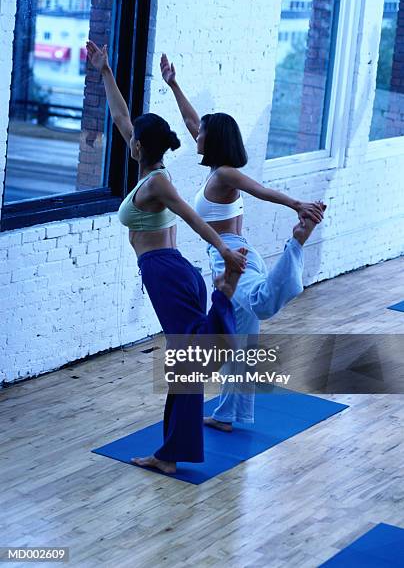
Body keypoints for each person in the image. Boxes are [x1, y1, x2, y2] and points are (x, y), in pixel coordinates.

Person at [86, 41, 247, 473]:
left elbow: (191, 216)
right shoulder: (150, 169)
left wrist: (224, 251)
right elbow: (121, 117)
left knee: (190, 363)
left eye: (132, 136)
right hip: (174, 273)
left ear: (139, 146)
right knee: (185, 364)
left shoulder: (158, 184)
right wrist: (105, 72)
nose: (126, 135)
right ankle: (169, 454)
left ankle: (225, 301)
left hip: (166, 273)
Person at [160, 53, 326, 431]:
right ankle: (231, 414)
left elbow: (262, 189)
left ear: (212, 140)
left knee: (260, 305)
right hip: (235, 254)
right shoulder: (218, 169)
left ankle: (296, 245)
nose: (195, 134)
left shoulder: (226, 174)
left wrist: (296, 204)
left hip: (231, 258)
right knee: (241, 344)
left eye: (201, 133)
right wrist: (173, 84)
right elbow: (191, 120)